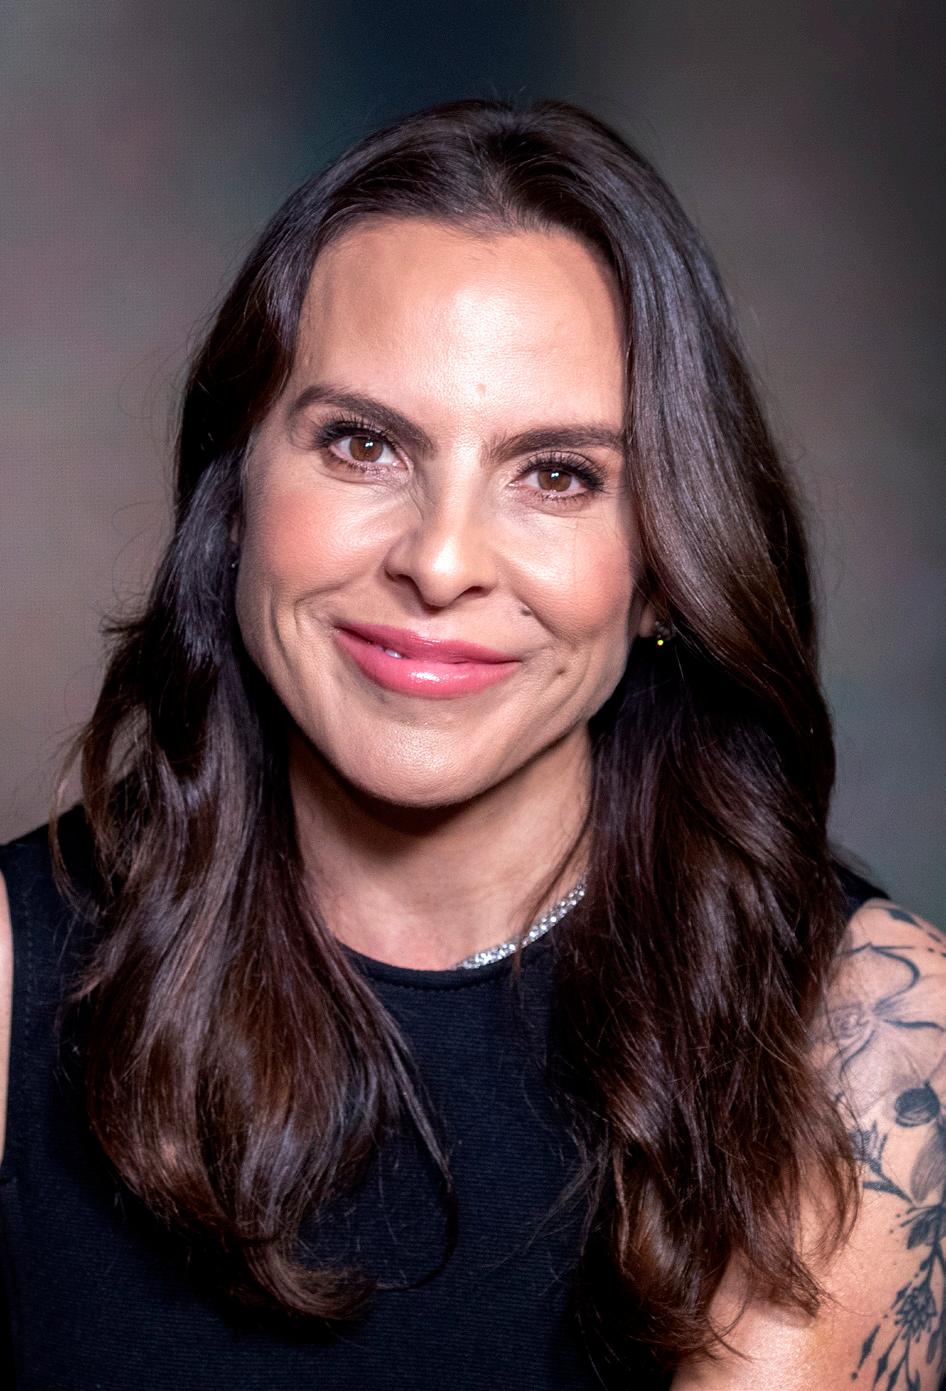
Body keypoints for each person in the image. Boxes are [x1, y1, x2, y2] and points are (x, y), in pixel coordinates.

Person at [0, 97, 942, 1391]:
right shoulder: (11, 977)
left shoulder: (873, 1036)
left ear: (665, 569)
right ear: (236, 495)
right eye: (362, 445)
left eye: (558, 474)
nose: (441, 563)